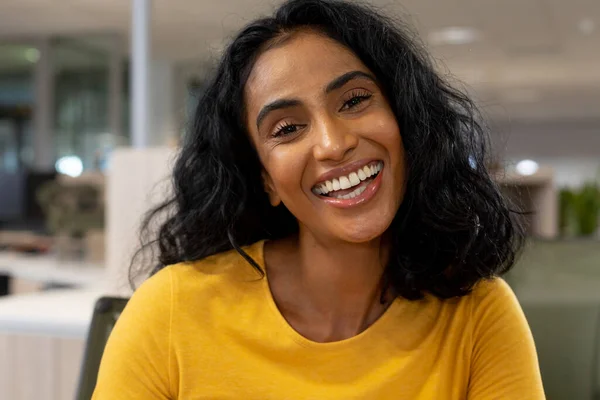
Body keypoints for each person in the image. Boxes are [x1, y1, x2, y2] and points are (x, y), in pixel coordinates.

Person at [93, 0, 545, 398]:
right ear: (265, 179)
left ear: (405, 121)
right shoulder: (170, 313)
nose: (332, 143)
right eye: (287, 129)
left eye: (354, 100)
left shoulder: (478, 314)